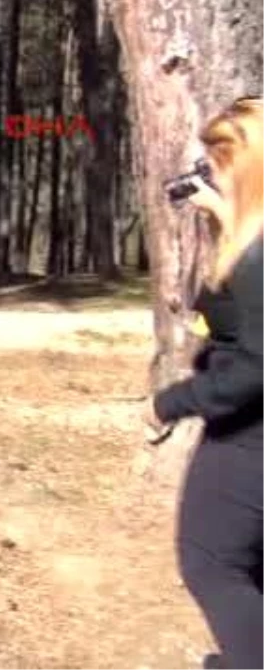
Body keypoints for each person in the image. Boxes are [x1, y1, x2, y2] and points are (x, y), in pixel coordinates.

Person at [144, 95, 264, 669]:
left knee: (211, 563)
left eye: (215, 162)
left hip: (251, 440)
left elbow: (258, 366)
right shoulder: (249, 244)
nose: (203, 175)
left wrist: (172, 402)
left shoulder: (257, 256)